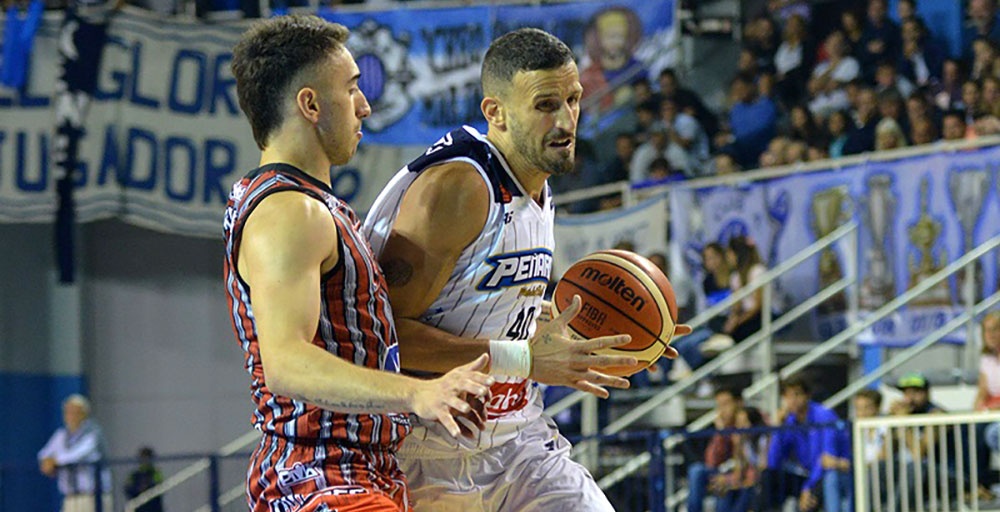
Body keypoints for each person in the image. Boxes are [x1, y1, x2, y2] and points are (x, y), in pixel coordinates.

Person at [363, 27, 690, 511]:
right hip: (429, 452)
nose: (567, 120)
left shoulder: (537, 182)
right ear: (495, 112)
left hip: (519, 440)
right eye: (545, 105)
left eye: (574, 100)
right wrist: (525, 360)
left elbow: (487, 312)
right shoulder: (459, 188)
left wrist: (582, 346)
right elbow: (381, 340)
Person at [226, 15, 494, 512]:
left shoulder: (312, 204)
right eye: (352, 89)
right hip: (318, 474)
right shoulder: (288, 211)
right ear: (309, 104)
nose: (365, 106)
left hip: (365, 469)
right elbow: (285, 363)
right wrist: (418, 394)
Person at [759, 376, 839, 512]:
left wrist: (807, 488)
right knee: (769, 477)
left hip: (826, 474)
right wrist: (778, 429)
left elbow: (826, 460)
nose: (793, 400)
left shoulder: (824, 416)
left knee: (810, 499)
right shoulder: (789, 421)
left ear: (807, 395)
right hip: (807, 477)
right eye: (788, 396)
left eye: (797, 394)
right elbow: (773, 462)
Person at [37, 394, 112, 512]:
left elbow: (76, 455)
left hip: (92, 496)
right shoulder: (61, 434)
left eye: (75, 412)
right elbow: (44, 454)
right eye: (67, 412)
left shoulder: (93, 433)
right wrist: (46, 461)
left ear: (84, 414)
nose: (70, 416)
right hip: (71, 496)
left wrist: (55, 461)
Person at [124, 446, 163, 512]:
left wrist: (147, 488)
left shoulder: (156, 473)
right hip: (138, 508)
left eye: (147, 457)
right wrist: (137, 489)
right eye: (142, 457)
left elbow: (159, 487)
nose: (144, 460)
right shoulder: (134, 475)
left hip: (153, 508)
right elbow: (127, 488)